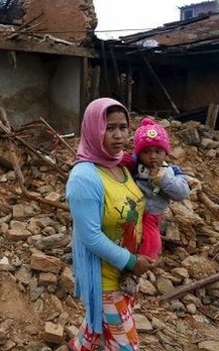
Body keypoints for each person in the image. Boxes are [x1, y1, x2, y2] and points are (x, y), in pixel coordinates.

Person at [66, 98, 154, 351]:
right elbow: (90, 237)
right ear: (94, 129)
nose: (118, 135)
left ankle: (79, 345)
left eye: (123, 127)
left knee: (98, 328)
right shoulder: (84, 178)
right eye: (109, 128)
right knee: (127, 346)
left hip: (124, 274)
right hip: (105, 280)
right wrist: (132, 262)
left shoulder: (122, 166)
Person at [119, 118, 191, 295]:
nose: (152, 156)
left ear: (166, 152)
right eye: (147, 152)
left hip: (151, 216)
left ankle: (134, 272)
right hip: (132, 211)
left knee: (152, 243)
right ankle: (121, 263)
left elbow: (182, 193)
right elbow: (120, 162)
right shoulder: (135, 165)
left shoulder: (172, 172)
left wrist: (164, 180)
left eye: (158, 151)